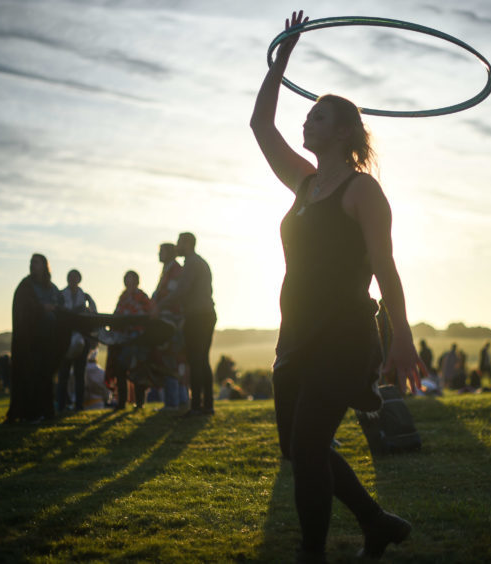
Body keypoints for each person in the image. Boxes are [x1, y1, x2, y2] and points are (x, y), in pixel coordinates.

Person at [250, 11, 426, 560]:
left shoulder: (362, 192)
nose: (308, 124)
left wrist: (402, 338)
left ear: (345, 130)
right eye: (308, 117)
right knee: (298, 449)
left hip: (345, 335)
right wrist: (281, 62)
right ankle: (375, 521)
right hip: (296, 332)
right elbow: (260, 126)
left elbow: (387, 268)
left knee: (307, 446)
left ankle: (312, 552)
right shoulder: (303, 184)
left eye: (319, 118)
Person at [6, 253, 69, 424]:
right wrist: (42, 308)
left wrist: (54, 309)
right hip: (30, 342)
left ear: (44, 266)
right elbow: (23, 308)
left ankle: (45, 412)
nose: (32, 265)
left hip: (48, 341)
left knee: (45, 377)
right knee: (30, 377)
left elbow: (61, 306)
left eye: (36, 262)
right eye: (31, 262)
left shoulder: (52, 288)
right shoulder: (26, 286)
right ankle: (29, 413)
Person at [175, 232, 217, 417]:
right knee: (202, 360)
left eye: (179, 243)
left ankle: (196, 407)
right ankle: (207, 405)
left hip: (198, 316)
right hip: (206, 314)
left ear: (187, 244)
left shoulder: (192, 264)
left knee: (195, 359)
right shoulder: (199, 262)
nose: (177, 247)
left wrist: (160, 305)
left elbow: (182, 290)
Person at [109, 269, 153, 410]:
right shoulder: (123, 297)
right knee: (121, 369)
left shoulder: (142, 296)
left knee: (138, 369)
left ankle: (139, 403)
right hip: (122, 337)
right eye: (126, 279)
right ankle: (122, 402)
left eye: (131, 279)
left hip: (138, 338)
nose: (128, 282)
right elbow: (117, 314)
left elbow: (147, 314)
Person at [151, 244, 187, 409]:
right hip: (168, 320)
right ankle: (179, 400)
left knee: (171, 358)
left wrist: (158, 305)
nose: (159, 254)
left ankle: (174, 401)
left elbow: (172, 295)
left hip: (171, 321)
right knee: (173, 359)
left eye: (161, 251)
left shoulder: (175, 271)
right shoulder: (169, 270)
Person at [57, 269, 98, 412]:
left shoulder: (85, 297)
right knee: (64, 374)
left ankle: (79, 405)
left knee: (80, 374)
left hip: (82, 338)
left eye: (75, 278)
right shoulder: (61, 295)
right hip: (64, 339)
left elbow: (94, 315)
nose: (72, 280)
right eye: (70, 277)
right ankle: (61, 405)